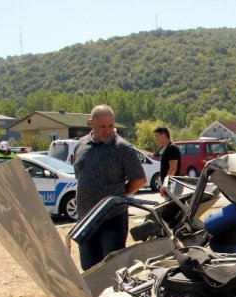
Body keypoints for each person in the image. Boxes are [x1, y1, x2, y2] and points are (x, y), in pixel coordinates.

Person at [73, 104, 146, 270]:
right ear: (91, 123)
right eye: (102, 126)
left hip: (111, 219)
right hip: (85, 219)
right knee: (89, 269)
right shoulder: (81, 145)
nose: (107, 130)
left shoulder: (123, 148)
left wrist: (119, 197)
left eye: (111, 126)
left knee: (112, 268)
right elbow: (80, 174)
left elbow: (139, 179)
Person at [153, 126, 181, 197]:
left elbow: (173, 168)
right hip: (170, 184)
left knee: (173, 207)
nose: (155, 139)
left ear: (163, 135)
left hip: (173, 184)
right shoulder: (167, 148)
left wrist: (165, 185)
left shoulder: (172, 148)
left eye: (157, 136)